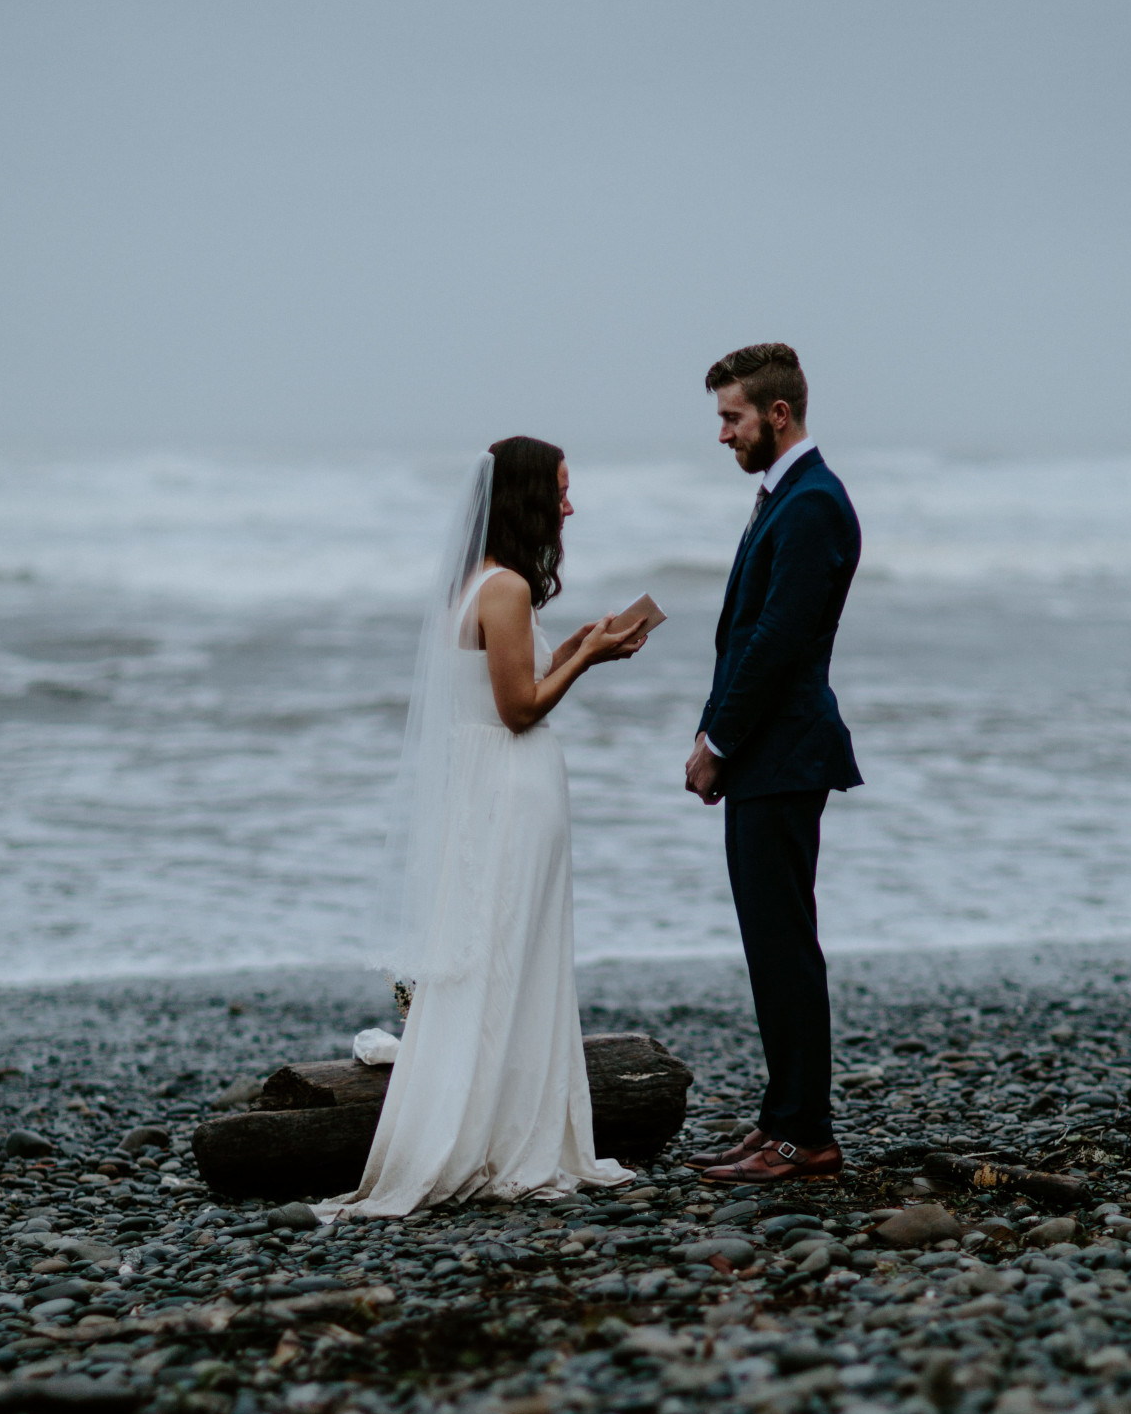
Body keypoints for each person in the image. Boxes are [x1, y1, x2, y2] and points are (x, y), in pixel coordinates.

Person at [316, 438, 648, 1220]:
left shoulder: (474, 587)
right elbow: (520, 709)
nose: (569, 506)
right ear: (528, 498)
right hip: (511, 783)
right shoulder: (505, 591)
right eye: (560, 492)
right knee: (511, 951)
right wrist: (590, 659)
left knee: (498, 944)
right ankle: (505, 1130)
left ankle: (494, 1110)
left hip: (484, 785)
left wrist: (567, 649)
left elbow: (502, 686)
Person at [683, 343, 862, 1185]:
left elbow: (776, 644)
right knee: (770, 944)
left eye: (732, 417)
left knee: (786, 946)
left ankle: (806, 1138)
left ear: (777, 415)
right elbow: (744, 638)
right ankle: (780, 1121)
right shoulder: (785, 497)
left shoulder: (815, 504)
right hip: (769, 753)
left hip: (783, 753)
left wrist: (717, 742)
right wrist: (714, 733)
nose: (723, 433)